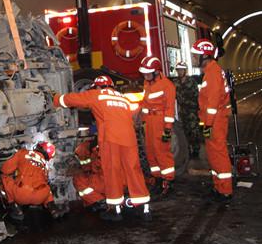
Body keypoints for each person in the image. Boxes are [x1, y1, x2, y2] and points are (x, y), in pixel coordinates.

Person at [53, 75, 151, 222]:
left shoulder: (97, 95)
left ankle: (115, 210)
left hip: (111, 138)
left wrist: (55, 99)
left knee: (112, 171)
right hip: (129, 138)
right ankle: (144, 209)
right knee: (133, 170)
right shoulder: (123, 98)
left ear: (98, 87)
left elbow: (73, 99)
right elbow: (134, 112)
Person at [191, 38, 233, 202]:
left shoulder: (213, 73)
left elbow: (212, 103)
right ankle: (219, 186)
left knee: (219, 154)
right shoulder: (210, 71)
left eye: (195, 55)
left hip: (215, 121)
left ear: (204, 56)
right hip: (212, 120)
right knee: (213, 155)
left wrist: (207, 124)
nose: (193, 58)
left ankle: (225, 190)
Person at [139, 56, 177, 197]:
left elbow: (169, 109)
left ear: (156, 72)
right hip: (149, 122)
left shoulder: (167, 85)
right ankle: (157, 179)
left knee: (162, 152)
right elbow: (144, 102)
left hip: (160, 122)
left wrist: (167, 128)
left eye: (147, 73)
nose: (145, 75)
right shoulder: (147, 83)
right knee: (150, 152)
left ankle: (168, 181)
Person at [0, 141, 63, 220]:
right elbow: (45, 179)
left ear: (38, 147)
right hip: (40, 198)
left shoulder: (23, 153)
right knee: (46, 187)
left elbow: (6, 170)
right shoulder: (45, 166)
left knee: (3, 176)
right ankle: (52, 208)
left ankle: (14, 206)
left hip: (22, 194)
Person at [174, 61, 203, 158]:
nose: (179, 72)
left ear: (185, 70)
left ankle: (196, 150)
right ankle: (188, 150)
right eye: (178, 70)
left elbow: (196, 95)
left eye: (181, 70)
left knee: (193, 130)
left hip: (191, 110)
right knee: (184, 132)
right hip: (182, 111)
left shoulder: (191, 81)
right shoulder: (176, 82)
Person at [73, 138, 106, 212]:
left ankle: (100, 201)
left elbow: (95, 167)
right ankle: (102, 199)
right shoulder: (104, 147)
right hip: (120, 183)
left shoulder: (97, 152)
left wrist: (80, 171)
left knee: (78, 180)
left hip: (105, 182)